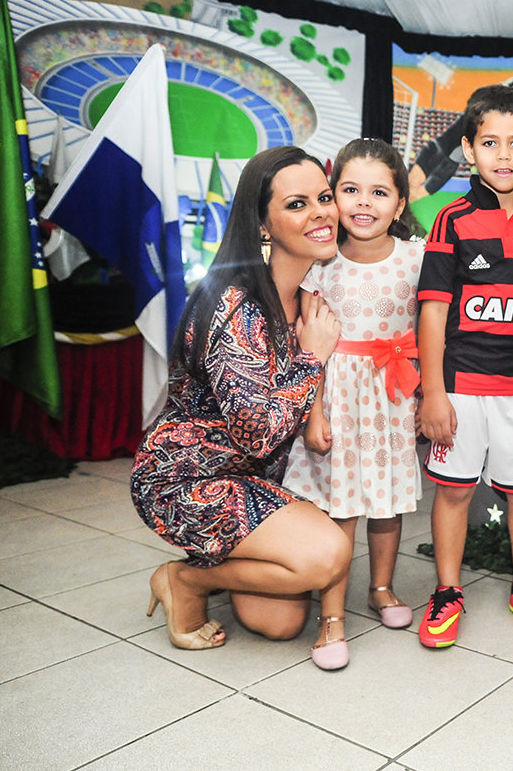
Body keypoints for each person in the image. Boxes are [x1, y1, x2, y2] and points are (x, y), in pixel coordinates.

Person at [131, 146, 352, 651]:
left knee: (280, 622)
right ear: (263, 225)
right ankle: (187, 581)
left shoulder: (301, 297)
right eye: (298, 204)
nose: (321, 212)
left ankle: (203, 570)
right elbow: (259, 433)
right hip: (185, 481)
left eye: (324, 196)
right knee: (325, 556)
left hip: (244, 479)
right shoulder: (237, 306)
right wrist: (313, 357)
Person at [417, 85, 513, 649]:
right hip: (463, 386)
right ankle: (448, 591)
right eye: (490, 143)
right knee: (454, 492)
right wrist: (434, 393)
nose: (504, 155)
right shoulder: (450, 221)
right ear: (470, 151)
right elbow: (432, 315)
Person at [282, 139, 424, 670]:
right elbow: (306, 345)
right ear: (332, 196)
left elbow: (430, 332)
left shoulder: (417, 257)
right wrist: (312, 414)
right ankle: (332, 616)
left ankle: (381, 588)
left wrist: (425, 394)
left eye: (379, 192)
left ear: (401, 204)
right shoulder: (320, 265)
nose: (364, 203)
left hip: (391, 397)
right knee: (340, 509)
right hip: (336, 397)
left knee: (385, 505)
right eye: (350, 190)